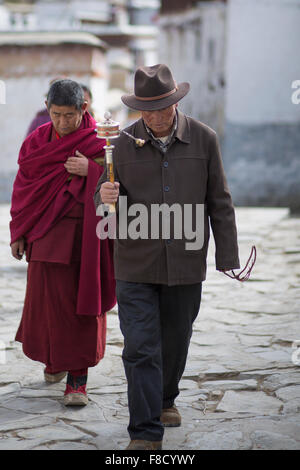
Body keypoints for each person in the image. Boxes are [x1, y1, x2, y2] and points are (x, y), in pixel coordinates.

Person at [94, 64, 240, 450]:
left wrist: (227, 253)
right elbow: (102, 200)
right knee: (140, 345)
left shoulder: (205, 139)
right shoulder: (120, 145)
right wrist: (105, 198)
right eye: (148, 109)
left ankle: (165, 399)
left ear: (175, 102)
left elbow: (219, 200)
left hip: (186, 261)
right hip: (135, 262)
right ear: (138, 107)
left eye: (163, 107)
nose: (156, 116)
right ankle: (144, 432)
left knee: (176, 339)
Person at [10, 79, 116, 406]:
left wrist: (91, 171)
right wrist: (19, 233)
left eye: (69, 115)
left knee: (80, 306)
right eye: (56, 114)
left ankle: (78, 381)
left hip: (85, 236)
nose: (62, 122)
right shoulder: (36, 143)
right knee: (46, 305)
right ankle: (54, 361)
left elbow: (119, 188)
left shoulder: (102, 142)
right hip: (44, 235)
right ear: (47, 107)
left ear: (83, 109)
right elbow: (24, 190)